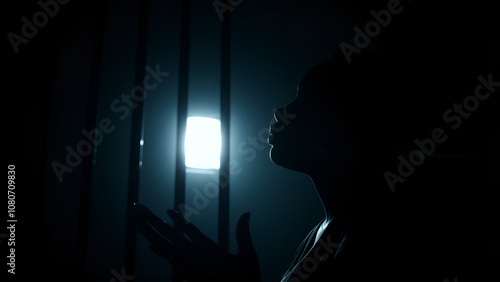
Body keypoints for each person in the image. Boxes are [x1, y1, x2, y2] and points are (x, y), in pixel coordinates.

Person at [133, 42, 497, 280]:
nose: (280, 111)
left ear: (347, 123)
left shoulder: (377, 236)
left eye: (304, 98)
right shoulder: (321, 233)